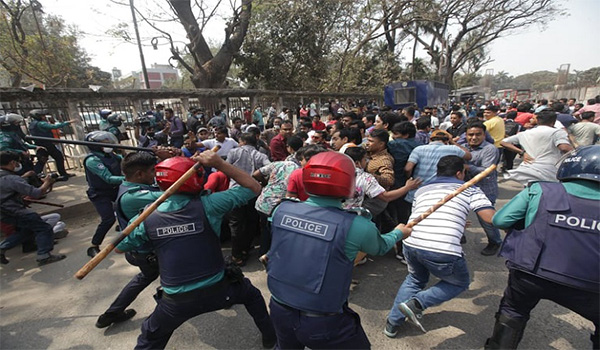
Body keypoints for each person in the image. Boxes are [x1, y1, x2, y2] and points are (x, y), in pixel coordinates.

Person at [115, 153, 276, 350]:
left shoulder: (147, 216)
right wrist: (219, 163)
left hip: (175, 302)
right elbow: (253, 187)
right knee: (253, 296)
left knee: (150, 338)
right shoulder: (210, 204)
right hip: (220, 289)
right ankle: (270, 338)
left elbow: (120, 247)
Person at [266, 151, 412, 349]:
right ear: (348, 182)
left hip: (278, 308)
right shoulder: (356, 224)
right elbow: (380, 247)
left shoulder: (281, 210)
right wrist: (398, 233)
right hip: (323, 322)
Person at [485, 145, 599, 349]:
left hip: (531, 272)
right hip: (591, 285)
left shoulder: (540, 189)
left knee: (513, 311)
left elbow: (500, 220)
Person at [385, 155, 496, 337]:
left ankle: (392, 323)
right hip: (442, 248)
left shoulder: (423, 189)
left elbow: (422, 213)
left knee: (415, 279)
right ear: (460, 173)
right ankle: (418, 303)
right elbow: (490, 219)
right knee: (459, 282)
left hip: (411, 241)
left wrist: (459, 220)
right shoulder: (469, 189)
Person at [96, 152, 162, 329]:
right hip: (146, 251)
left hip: (141, 250)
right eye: (152, 171)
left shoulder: (129, 186)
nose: (154, 175)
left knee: (146, 276)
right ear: (140, 174)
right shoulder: (135, 195)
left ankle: (111, 313)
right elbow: (175, 194)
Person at [0, 151, 65, 265]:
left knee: (27, 229)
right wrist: (47, 182)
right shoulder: (12, 179)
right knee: (43, 228)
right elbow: (36, 193)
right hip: (14, 210)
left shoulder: (8, 177)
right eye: (17, 163)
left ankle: (5, 247)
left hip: (4, 213)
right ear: (12, 162)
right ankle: (44, 255)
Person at [225, 133, 270, 266]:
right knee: (251, 221)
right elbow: (269, 168)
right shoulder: (260, 155)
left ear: (242, 141)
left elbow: (224, 168)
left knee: (236, 224)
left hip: (235, 192)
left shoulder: (233, 152)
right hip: (253, 193)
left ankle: (236, 256)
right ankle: (245, 249)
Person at [500, 109, 573, 184]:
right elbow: (564, 147)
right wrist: (576, 151)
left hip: (528, 169)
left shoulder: (526, 133)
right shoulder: (557, 132)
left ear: (537, 121)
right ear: (553, 122)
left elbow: (503, 142)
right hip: (548, 171)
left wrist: (522, 152)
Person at [462, 121, 502, 255]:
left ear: (484, 135)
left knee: (486, 221)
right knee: (459, 215)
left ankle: (495, 242)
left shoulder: (490, 149)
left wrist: (467, 167)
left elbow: (486, 171)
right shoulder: (462, 147)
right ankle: (459, 237)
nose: (474, 138)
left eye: (478, 134)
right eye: (470, 135)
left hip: (485, 190)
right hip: (464, 189)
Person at [83, 131, 125, 258]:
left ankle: (127, 236)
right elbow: (108, 178)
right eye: (105, 143)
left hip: (114, 189)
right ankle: (94, 245)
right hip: (100, 193)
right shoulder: (92, 160)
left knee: (125, 210)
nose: (108, 145)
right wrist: (128, 179)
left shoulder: (110, 155)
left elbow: (126, 161)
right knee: (108, 219)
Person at [27, 109, 75, 181]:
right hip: (46, 144)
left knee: (42, 160)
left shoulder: (32, 124)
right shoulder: (41, 123)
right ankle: (63, 173)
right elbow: (54, 126)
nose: (44, 117)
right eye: (42, 116)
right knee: (58, 157)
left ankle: (33, 175)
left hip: (40, 144)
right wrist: (67, 122)